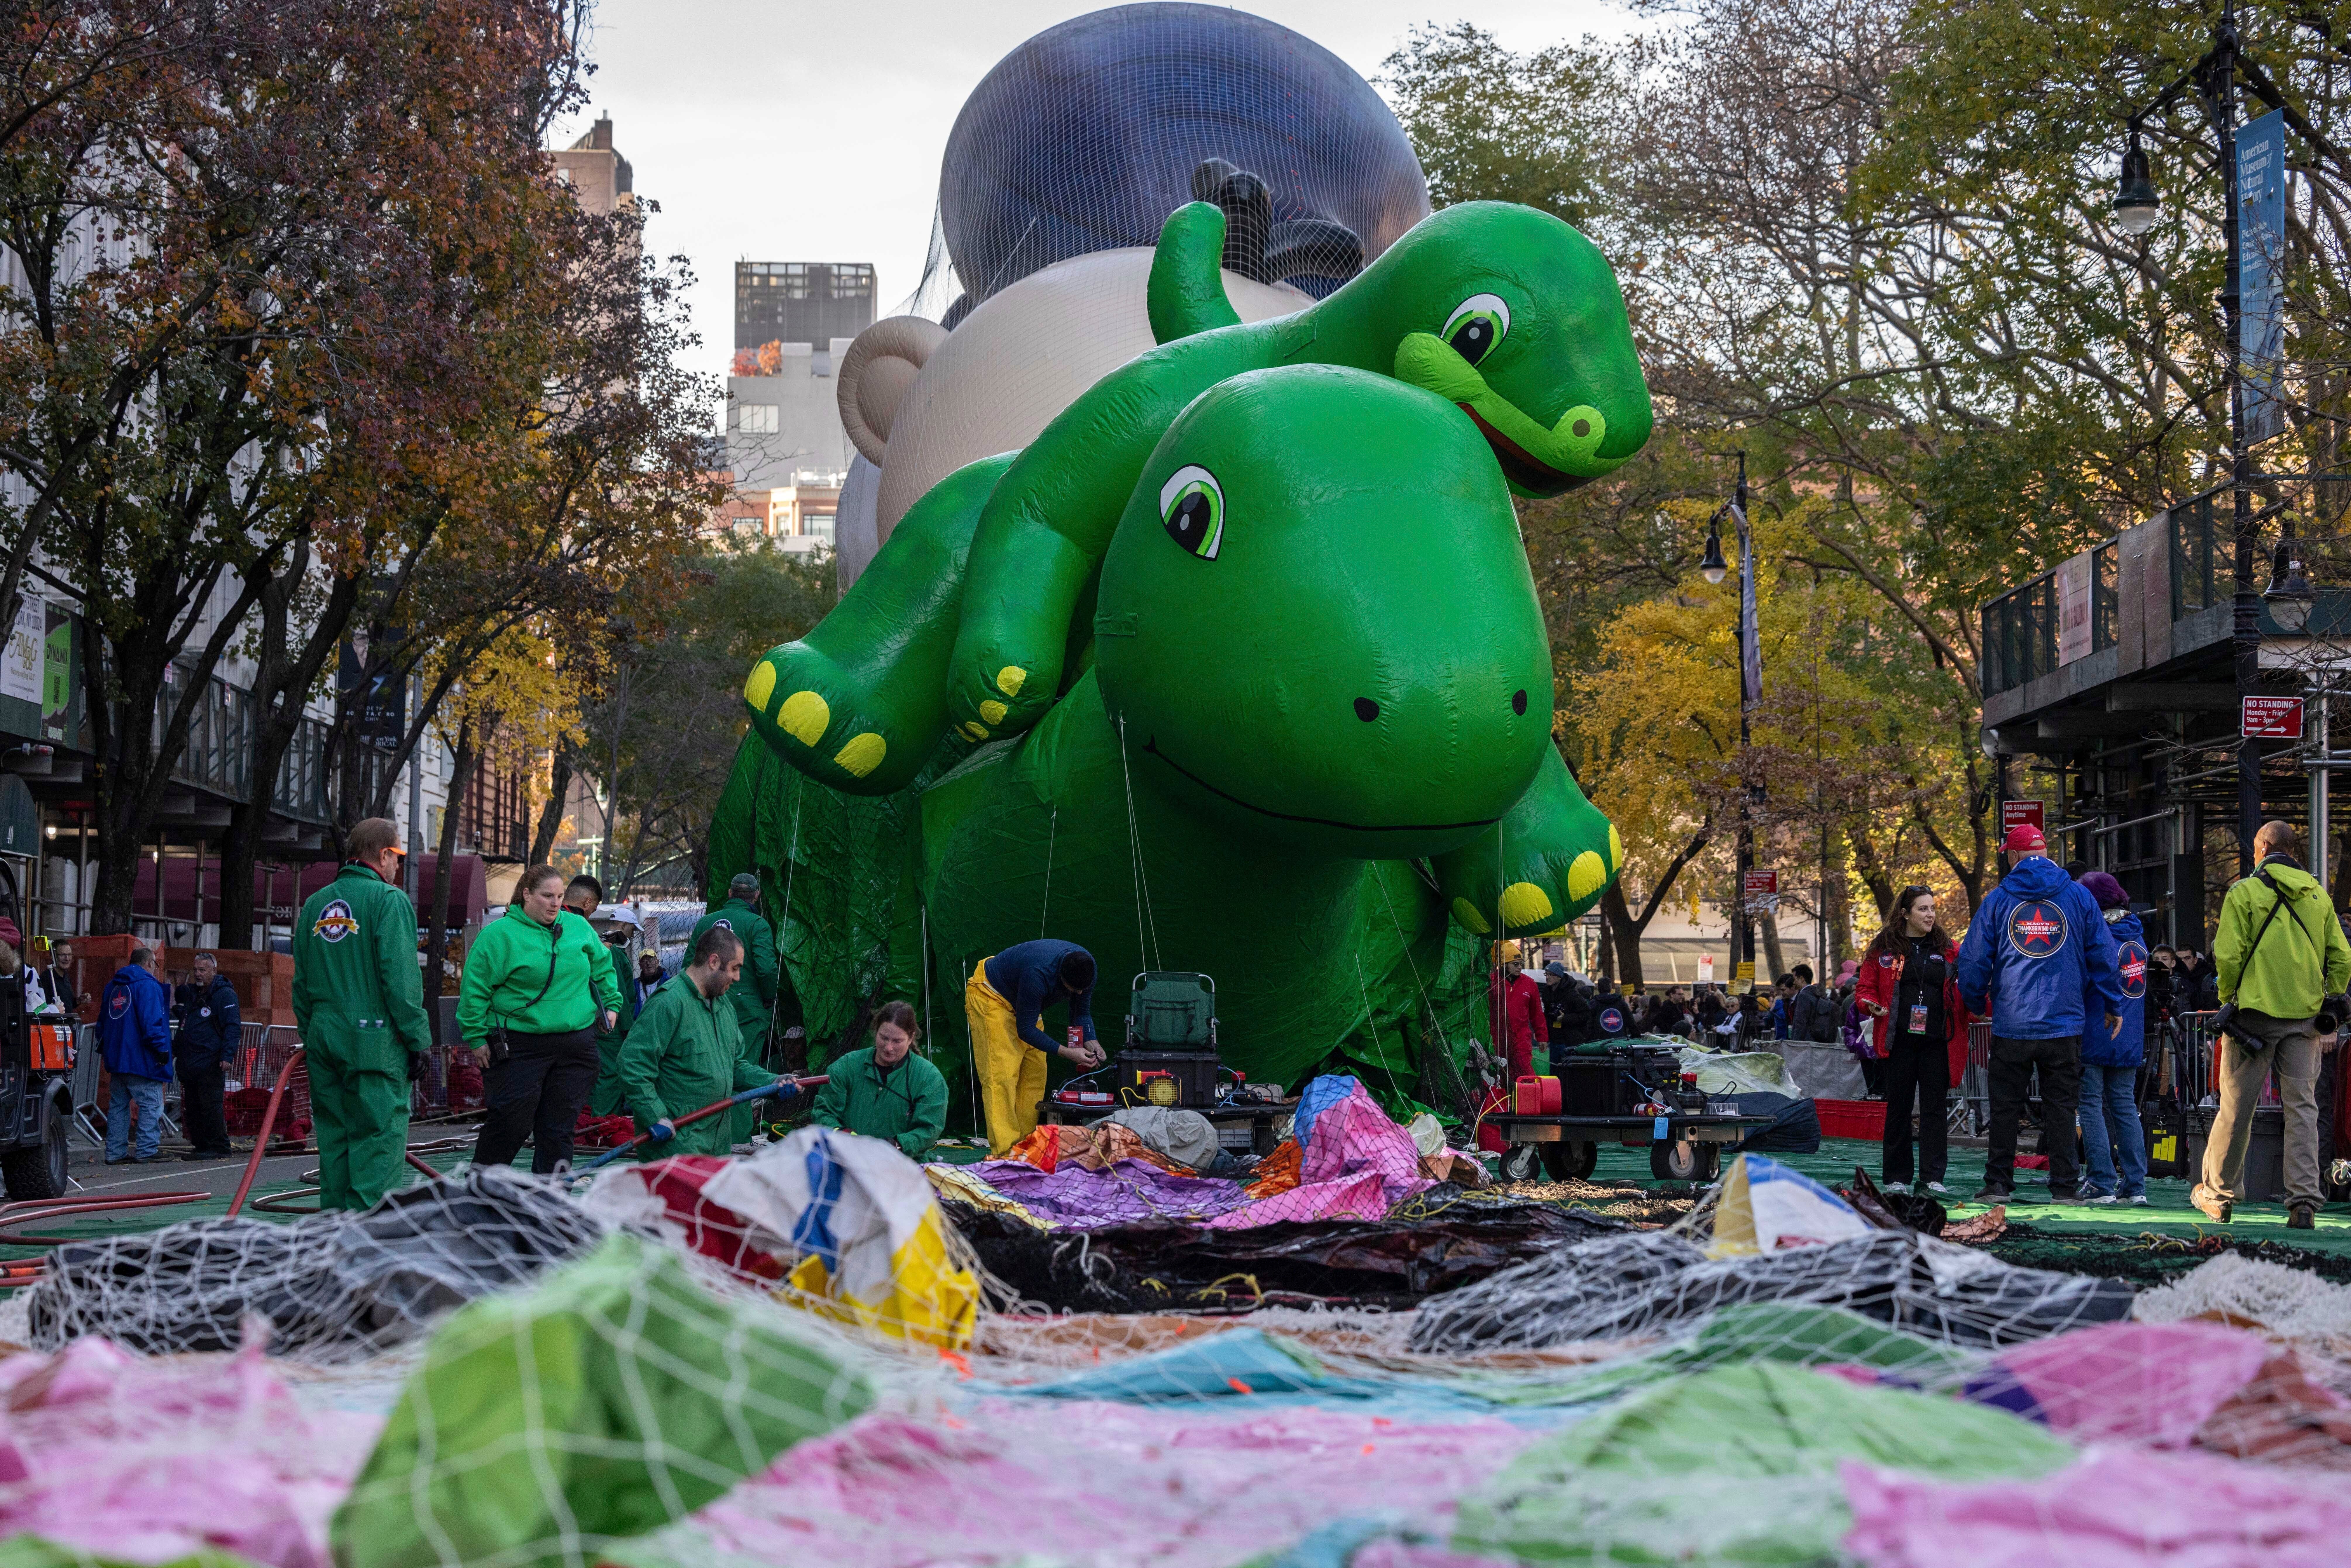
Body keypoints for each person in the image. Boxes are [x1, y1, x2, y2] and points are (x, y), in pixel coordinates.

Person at [1956, 822, 2124, 1205]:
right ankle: (2064, 1188)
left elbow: (1973, 960)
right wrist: (2113, 1004)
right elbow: (2103, 954)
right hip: (2063, 1024)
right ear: (2045, 851)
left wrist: (1974, 1000)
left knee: (2004, 1108)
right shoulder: (2078, 897)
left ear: (2014, 856)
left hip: (2012, 1023)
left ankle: (1998, 1184)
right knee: (2062, 1109)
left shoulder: (1999, 899)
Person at [2196, 820, 2351, 1227]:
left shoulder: (2244, 892)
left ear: (2262, 849)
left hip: (2253, 1019)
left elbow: (2228, 955)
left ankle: (2219, 1194)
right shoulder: (2317, 895)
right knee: (2302, 1108)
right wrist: (2331, 997)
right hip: (2305, 1020)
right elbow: (2341, 956)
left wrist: (2228, 998)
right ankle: (2303, 1201)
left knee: (2236, 1108)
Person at [293, 819, 436, 1209]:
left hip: (324, 1033)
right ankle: (366, 1244)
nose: (398, 867)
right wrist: (418, 1040)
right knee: (377, 1142)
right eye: (398, 856)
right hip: (375, 1040)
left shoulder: (315, 904)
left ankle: (332, 1240)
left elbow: (301, 981)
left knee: (335, 1142)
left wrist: (315, 1032)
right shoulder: (388, 901)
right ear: (385, 854)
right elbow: (402, 981)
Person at [459, 863, 621, 1174]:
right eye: (547, 896)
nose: (555, 903)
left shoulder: (577, 927)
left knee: (558, 1128)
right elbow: (475, 990)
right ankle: (481, 1191)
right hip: (520, 1044)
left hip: (575, 1045)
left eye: (560, 896)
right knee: (511, 1122)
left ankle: (551, 1200)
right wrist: (477, 1037)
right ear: (526, 894)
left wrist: (611, 1004)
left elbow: (603, 967)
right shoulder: (498, 936)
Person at [617, 925, 796, 1158]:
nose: (737, 977)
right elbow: (632, 1063)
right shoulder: (669, 1003)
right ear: (714, 961)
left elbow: (735, 1067)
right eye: (735, 968)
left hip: (717, 1145)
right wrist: (654, 1116)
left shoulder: (723, 1006)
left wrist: (774, 1082)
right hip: (677, 1147)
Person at [1855, 886, 1969, 1196]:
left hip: (1937, 1041)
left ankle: (1934, 1177)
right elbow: (1865, 987)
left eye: (1932, 908)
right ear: (1905, 913)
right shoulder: (1883, 948)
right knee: (1899, 1109)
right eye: (1923, 909)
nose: (1930, 914)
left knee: (1934, 1110)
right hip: (1898, 1042)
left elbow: (1968, 986)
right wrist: (1870, 1004)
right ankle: (1896, 1178)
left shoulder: (1948, 947)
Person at [967, 938, 1103, 1155]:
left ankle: (1026, 1148)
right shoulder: (1038, 974)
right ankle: (1005, 1155)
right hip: (992, 995)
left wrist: (1092, 1039)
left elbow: (1081, 1013)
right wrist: (1068, 1052)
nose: (1078, 994)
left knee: (1035, 1074)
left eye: (1082, 990)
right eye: (1073, 990)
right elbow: (1026, 1030)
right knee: (1001, 1076)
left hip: (1022, 1002)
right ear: (1060, 977)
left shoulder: (1087, 968)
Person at [2074, 872, 2151, 1206]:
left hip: (2095, 1027)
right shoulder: (2137, 934)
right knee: (2124, 1106)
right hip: (2130, 1035)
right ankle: (2135, 1185)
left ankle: (2101, 1180)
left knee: (2090, 1104)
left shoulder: (2095, 934)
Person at [810, 999, 950, 1157]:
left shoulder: (929, 1079)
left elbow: (930, 1129)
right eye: (884, 1038)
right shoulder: (845, 1067)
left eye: (897, 1041)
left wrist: (898, 1145)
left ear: (911, 1038)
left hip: (903, 1166)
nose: (889, 1047)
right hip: (847, 1161)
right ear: (876, 1031)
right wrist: (840, 1134)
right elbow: (823, 1113)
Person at [99, 944, 172, 1165]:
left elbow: (103, 1024)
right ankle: (147, 1149)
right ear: (150, 963)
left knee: (119, 1106)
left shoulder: (113, 986)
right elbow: (152, 1023)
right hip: (141, 1059)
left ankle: (115, 1152)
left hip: (117, 1058)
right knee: (151, 1103)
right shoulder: (148, 986)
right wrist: (162, 1049)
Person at [172, 951, 240, 1160]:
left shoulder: (225, 995)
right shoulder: (194, 994)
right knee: (193, 1107)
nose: (198, 974)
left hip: (211, 1060)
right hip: (191, 1061)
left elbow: (232, 1026)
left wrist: (227, 1056)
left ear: (214, 971)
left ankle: (219, 1146)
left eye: (202, 970)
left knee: (211, 1106)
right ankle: (202, 1145)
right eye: (195, 970)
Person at [1488, 943, 1548, 1080]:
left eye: (1521, 964)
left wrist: (1542, 1037)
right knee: (1499, 1076)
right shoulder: (1491, 982)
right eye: (1515, 964)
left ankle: (1526, 1101)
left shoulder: (1529, 984)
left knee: (1525, 1075)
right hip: (1495, 1039)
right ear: (1504, 965)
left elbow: (1537, 1014)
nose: (1520, 967)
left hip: (1521, 1040)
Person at [1786, 965, 1837, 1043]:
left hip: (1805, 1042)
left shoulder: (1803, 996)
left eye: (1795, 979)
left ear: (1802, 979)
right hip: (1815, 1041)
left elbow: (1800, 1023)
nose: (1793, 982)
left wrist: (1795, 1044)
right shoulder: (1816, 993)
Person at [37, 939, 78, 1019]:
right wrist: (53, 1010)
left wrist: (79, 1001)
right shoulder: (46, 978)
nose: (67, 959)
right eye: (63, 955)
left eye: (69, 955)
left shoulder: (66, 977)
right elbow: (37, 1010)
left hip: (66, 1026)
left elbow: (67, 1004)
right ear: (53, 957)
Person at [1588, 973, 1631, 1041]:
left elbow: (1589, 1024)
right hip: (1620, 1041)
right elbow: (1631, 1022)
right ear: (1610, 988)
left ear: (1598, 988)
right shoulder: (1621, 1003)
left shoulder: (1593, 1004)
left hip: (1599, 1043)